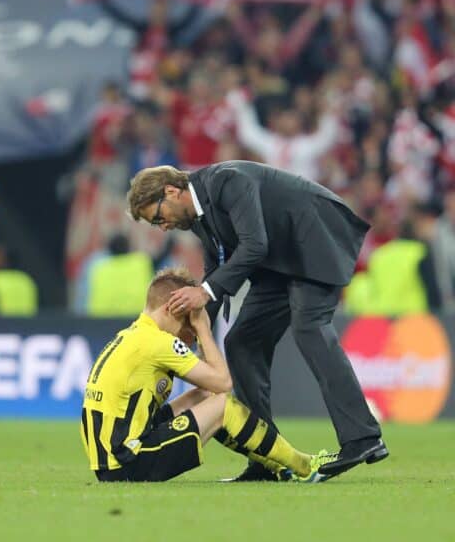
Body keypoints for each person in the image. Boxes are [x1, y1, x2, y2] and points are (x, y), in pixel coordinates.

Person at [126, 162, 387, 480]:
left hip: (314, 239)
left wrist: (205, 294)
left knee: (309, 327)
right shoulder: (196, 216)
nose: (162, 227)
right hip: (276, 263)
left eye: (157, 216)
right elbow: (216, 268)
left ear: (171, 191)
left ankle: (363, 438)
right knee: (241, 343)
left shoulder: (227, 182)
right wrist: (190, 331)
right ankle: (266, 458)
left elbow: (254, 244)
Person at [82, 267, 329, 483]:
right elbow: (223, 383)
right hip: (129, 461)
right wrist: (203, 329)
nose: (189, 331)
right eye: (188, 319)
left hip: (113, 460)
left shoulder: (134, 335)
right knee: (222, 404)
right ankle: (302, 467)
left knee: (204, 395)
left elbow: (208, 383)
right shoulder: (158, 343)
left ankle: (275, 465)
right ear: (173, 308)